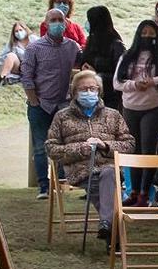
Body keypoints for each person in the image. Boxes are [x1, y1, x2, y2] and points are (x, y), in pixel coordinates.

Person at [45, 68, 135, 240]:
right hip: (80, 170)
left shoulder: (113, 115)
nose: (89, 92)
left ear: (99, 91)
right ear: (74, 92)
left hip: (109, 168)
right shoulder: (62, 117)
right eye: (83, 89)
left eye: (92, 89)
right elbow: (51, 148)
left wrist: (105, 145)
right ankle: (113, 230)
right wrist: (81, 148)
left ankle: (107, 226)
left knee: (108, 174)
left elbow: (129, 144)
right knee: (102, 184)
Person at [21, 6, 82, 198]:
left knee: (62, 146)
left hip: (63, 105)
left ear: (65, 23)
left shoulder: (72, 47)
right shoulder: (34, 48)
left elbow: (84, 67)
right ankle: (43, 187)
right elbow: (27, 76)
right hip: (40, 105)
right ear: (46, 24)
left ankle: (61, 183)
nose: (57, 23)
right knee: (41, 147)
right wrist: (34, 100)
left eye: (60, 20)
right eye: (53, 20)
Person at [115, 17, 158, 200]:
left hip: (154, 107)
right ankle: (133, 191)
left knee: (148, 149)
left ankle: (144, 192)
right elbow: (117, 83)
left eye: (151, 33)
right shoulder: (127, 56)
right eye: (144, 33)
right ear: (137, 35)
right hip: (130, 107)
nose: (147, 37)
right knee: (133, 149)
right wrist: (134, 85)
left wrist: (154, 81)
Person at [80, 5, 125, 98]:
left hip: (109, 96)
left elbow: (121, 75)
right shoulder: (91, 40)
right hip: (90, 92)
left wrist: (97, 75)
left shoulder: (116, 45)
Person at [0, 21, 33, 86]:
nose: (19, 33)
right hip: (18, 67)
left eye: (20, 30)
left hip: (32, 67)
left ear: (25, 29)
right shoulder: (12, 43)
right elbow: (2, 58)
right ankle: (2, 78)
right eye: (16, 31)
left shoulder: (34, 39)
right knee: (11, 55)